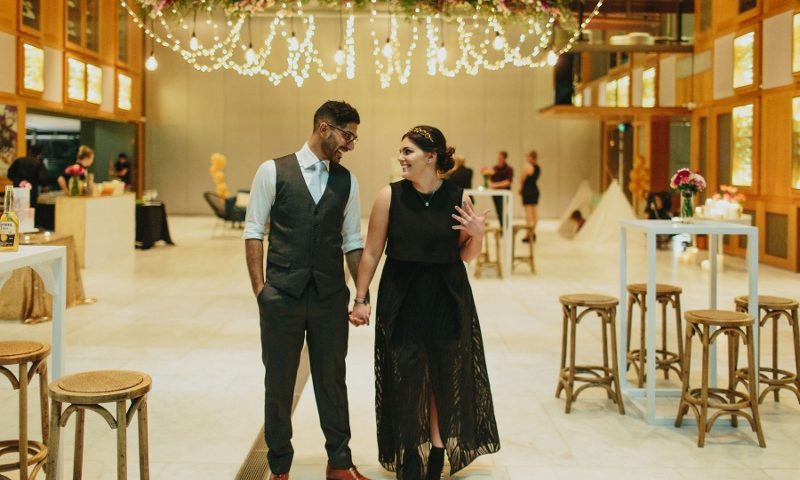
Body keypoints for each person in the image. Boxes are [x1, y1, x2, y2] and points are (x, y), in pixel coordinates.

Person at [351, 125, 500, 480]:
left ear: (431, 157)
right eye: (401, 152)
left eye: (408, 152)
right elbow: (371, 252)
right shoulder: (389, 196)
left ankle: (436, 450)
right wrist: (360, 298)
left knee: (442, 378)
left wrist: (477, 235)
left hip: (447, 297)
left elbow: (466, 254)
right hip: (401, 297)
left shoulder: (458, 197)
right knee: (406, 376)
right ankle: (410, 451)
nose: (401, 158)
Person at [243, 101, 370, 480]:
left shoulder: (348, 181)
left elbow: (352, 241)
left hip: (330, 296)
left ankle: (340, 463)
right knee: (279, 382)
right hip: (281, 294)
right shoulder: (272, 170)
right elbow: (254, 231)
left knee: (333, 379)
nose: (350, 145)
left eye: (354, 138)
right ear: (324, 126)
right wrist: (261, 291)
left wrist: (361, 295)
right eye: (347, 136)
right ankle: (279, 468)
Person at [518, 150, 541, 242]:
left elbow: (522, 179)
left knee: (529, 215)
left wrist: (520, 188)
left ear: (531, 157)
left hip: (528, 191)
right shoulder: (538, 167)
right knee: (535, 214)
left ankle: (529, 234)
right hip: (534, 190)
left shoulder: (528, 166)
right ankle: (532, 232)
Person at [488, 150, 513, 227]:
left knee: (504, 211)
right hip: (495, 194)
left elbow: (508, 182)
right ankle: (502, 227)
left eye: (501, 158)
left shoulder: (509, 169)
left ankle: (506, 227)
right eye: (498, 158)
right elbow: (489, 180)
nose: (499, 159)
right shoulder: (494, 168)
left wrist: (495, 185)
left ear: (504, 158)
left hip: (505, 194)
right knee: (498, 211)